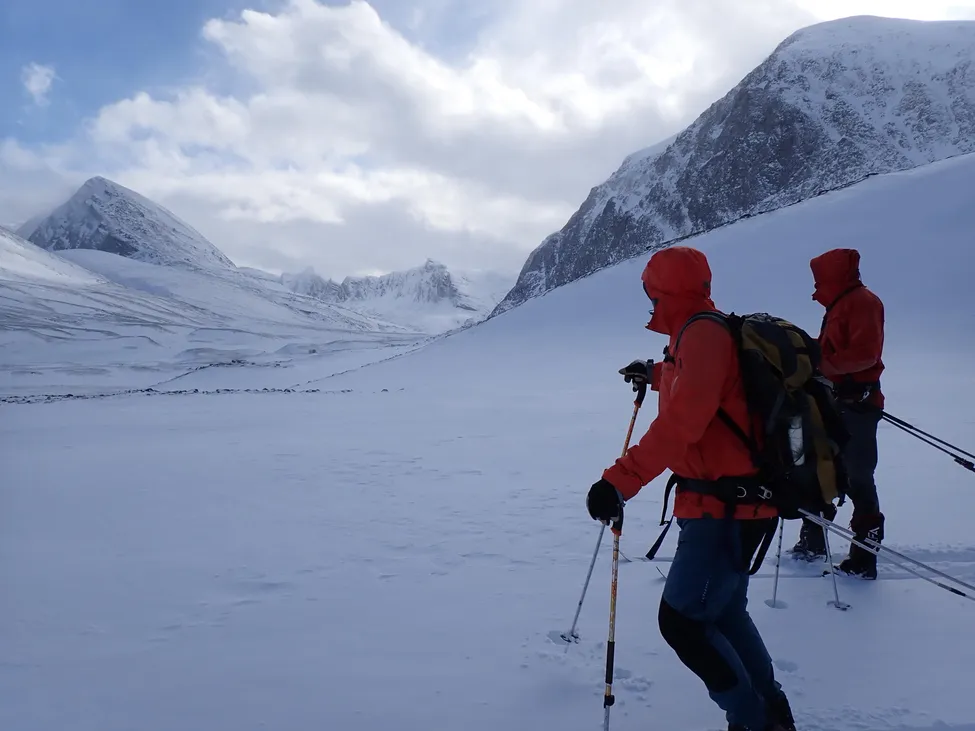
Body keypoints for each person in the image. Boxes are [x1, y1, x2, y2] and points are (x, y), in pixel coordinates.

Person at [585, 246, 796, 731]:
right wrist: (656, 373)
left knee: (682, 622)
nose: (648, 301)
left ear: (666, 291)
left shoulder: (702, 332)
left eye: (650, 292)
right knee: (722, 612)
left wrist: (619, 481)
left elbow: (685, 421)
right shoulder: (699, 330)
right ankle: (771, 710)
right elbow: (707, 386)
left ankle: (752, 720)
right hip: (726, 504)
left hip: (724, 508)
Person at [790, 247, 885, 579]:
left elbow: (866, 355)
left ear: (832, 276)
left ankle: (863, 559)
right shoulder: (842, 303)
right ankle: (813, 540)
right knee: (820, 469)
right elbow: (835, 349)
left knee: (858, 478)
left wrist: (820, 365)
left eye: (819, 279)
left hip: (858, 405)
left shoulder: (861, 302)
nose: (816, 287)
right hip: (836, 403)